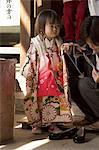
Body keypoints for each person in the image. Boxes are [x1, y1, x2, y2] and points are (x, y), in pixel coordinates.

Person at [20, 9, 72, 134]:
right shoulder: (36, 43)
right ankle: (37, 124)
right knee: (39, 102)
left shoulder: (58, 42)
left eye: (57, 26)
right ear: (42, 28)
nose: (55, 29)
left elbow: (63, 57)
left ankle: (53, 123)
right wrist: (31, 75)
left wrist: (65, 50)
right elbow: (31, 59)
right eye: (52, 26)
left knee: (54, 101)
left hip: (55, 78)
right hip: (41, 78)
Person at [62, 16, 99, 129]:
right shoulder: (89, 50)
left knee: (85, 84)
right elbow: (75, 70)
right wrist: (69, 53)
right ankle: (92, 117)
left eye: (95, 45)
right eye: (89, 44)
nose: (92, 48)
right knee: (72, 84)